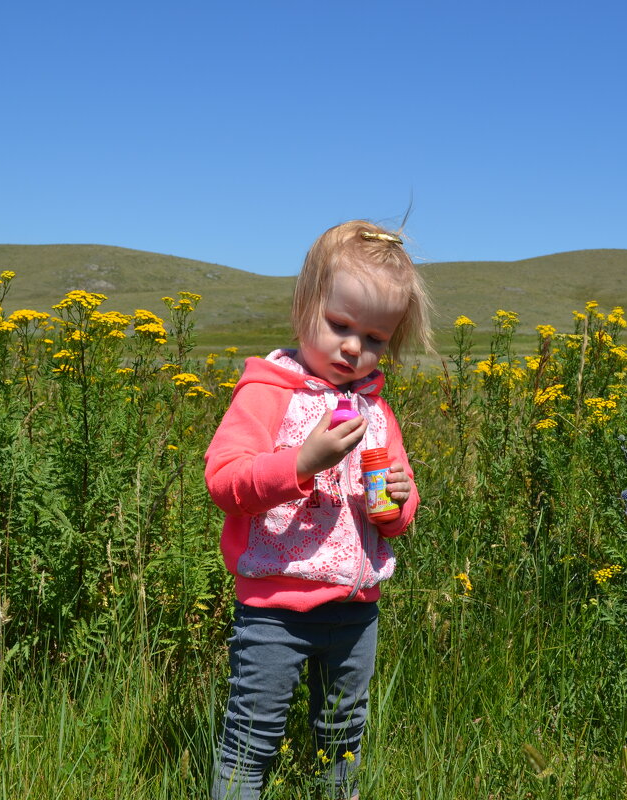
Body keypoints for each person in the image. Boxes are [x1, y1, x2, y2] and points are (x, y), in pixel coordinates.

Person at [204, 220, 432, 800]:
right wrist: (299, 463)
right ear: (304, 305)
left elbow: (391, 521)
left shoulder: (376, 414)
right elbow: (224, 481)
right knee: (252, 738)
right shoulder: (267, 394)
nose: (355, 348)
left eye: (376, 337)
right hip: (274, 608)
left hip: (356, 610)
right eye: (340, 326)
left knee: (344, 741)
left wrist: (400, 503)